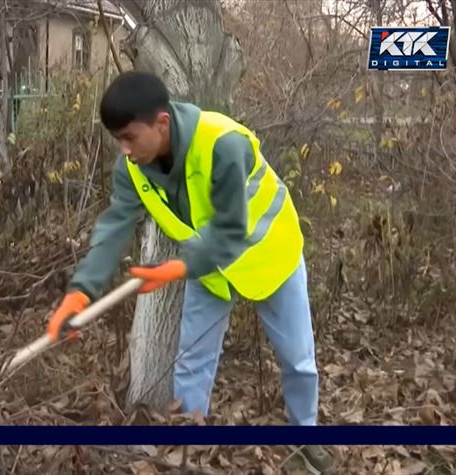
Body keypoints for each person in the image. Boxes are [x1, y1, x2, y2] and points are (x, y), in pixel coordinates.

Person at [46, 71, 333, 473]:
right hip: (209, 269)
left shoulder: (223, 143)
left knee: (298, 361)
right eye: (118, 140)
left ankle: (307, 438)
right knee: (191, 363)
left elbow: (231, 229)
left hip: (270, 256)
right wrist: (79, 293)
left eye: (130, 137)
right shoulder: (131, 168)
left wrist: (175, 268)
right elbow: (113, 229)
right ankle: (187, 451)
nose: (124, 150)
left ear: (161, 123)